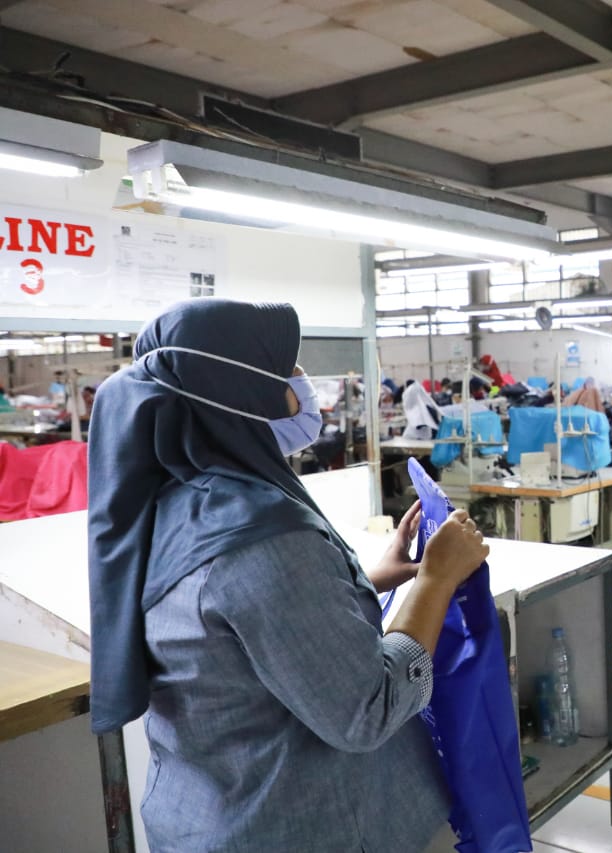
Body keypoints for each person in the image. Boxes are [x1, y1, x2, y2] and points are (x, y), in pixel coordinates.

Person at [86, 298, 489, 852]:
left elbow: (232, 627)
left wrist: (365, 581)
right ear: (241, 393)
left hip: (210, 812)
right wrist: (437, 581)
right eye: (285, 370)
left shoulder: (171, 501)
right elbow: (365, 711)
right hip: (296, 823)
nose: (302, 384)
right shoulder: (260, 534)